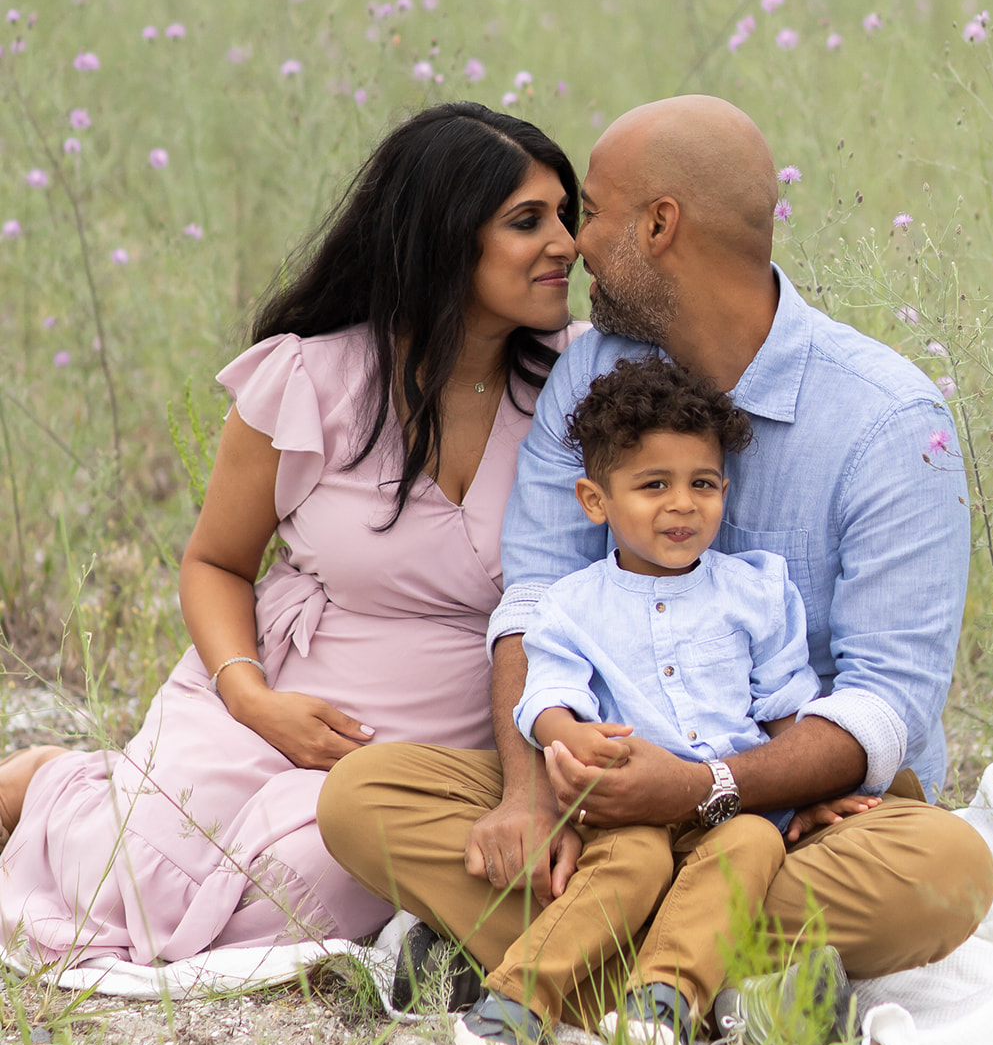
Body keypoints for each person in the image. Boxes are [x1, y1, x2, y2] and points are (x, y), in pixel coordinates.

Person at [318, 94, 993, 1034]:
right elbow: (536, 599)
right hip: (602, 803)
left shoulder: (889, 422)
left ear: (658, 226)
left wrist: (714, 786)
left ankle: (543, 967)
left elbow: (886, 701)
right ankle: (711, 991)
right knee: (364, 797)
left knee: (947, 874)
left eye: (588, 212)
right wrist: (525, 793)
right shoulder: (590, 369)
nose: (574, 243)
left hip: (790, 816)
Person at [0, 101, 583, 968]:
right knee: (127, 884)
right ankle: (49, 783)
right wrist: (253, 700)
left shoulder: (582, 385)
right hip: (274, 700)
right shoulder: (312, 381)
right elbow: (216, 561)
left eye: (566, 216)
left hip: (442, 749)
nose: (566, 243)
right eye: (527, 221)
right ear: (439, 237)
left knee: (287, 903)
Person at [454, 354, 874, 1045]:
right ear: (595, 500)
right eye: (654, 486)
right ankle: (516, 1003)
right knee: (631, 863)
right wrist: (570, 737)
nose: (682, 505)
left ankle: (659, 1007)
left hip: (731, 806)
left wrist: (810, 783)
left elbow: (784, 700)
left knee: (752, 849)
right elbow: (546, 695)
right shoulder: (571, 603)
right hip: (625, 805)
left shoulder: (753, 591)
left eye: (701, 485)